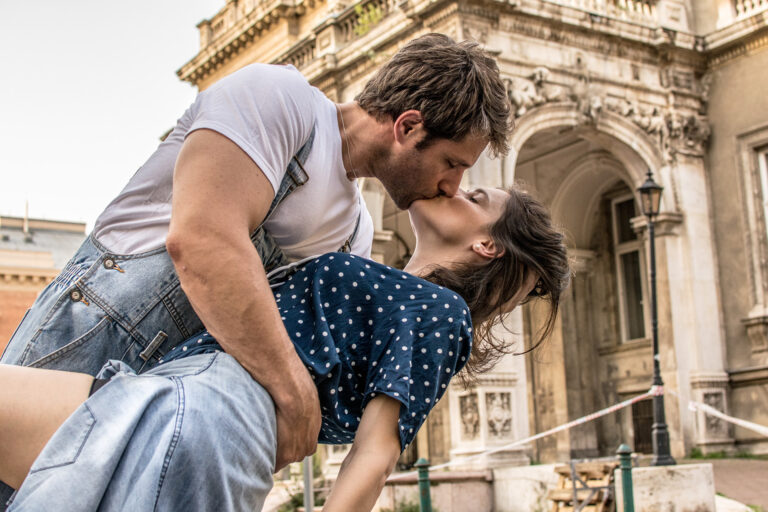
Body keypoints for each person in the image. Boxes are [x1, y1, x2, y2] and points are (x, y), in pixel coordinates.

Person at [0, 32, 513, 486]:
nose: (453, 185)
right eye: (452, 163)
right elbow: (203, 241)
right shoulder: (279, 100)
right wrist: (293, 394)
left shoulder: (356, 230)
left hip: (179, 400)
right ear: (407, 126)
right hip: (92, 338)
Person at [0, 186, 570, 511]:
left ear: (487, 243)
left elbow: (375, 455)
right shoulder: (398, 290)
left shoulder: (443, 314)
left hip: (211, 408)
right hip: (169, 392)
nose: (452, 185)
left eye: (473, 194)